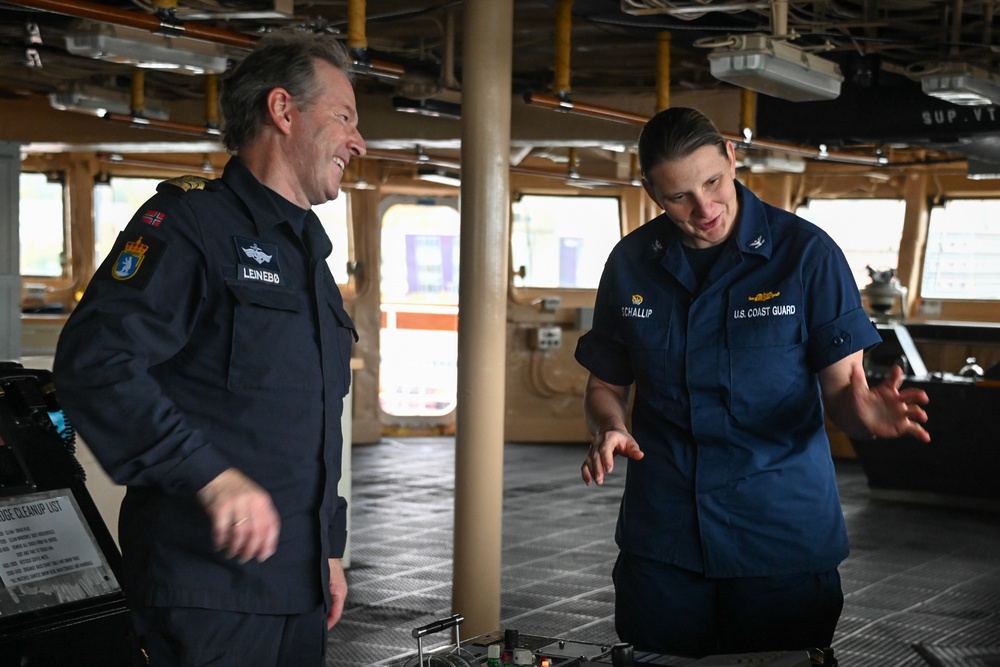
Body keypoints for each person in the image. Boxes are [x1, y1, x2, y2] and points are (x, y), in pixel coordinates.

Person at [52, 28, 365, 667]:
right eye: (344, 117)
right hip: (205, 590)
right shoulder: (189, 226)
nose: (357, 142)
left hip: (296, 590)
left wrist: (327, 549)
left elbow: (309, 426)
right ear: (283, 111)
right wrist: (211, 478)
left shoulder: (308, 253)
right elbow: (96, 363)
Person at [574, 107, 930, 658]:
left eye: (712, 182)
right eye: (678, 197)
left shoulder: (807, 256)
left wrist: (868, 418)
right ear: (650, 192)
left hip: (779, 537)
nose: (704, 207)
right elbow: (606, 383)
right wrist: (611, 425)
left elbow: (843, 391)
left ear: (731, 157)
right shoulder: (630, 264)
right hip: (665, 538)